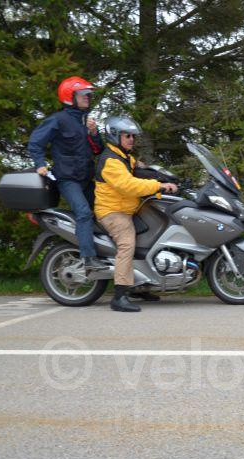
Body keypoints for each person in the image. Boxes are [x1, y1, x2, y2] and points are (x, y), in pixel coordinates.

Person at [94, 116, 178, 312]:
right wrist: (159, 186)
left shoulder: (125, 157)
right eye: (127, 135)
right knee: (127, 243)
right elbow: (128, 185)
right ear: (115, 136)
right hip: (113, 211)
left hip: (128, 208)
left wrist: (166, 178)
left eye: (133, 136)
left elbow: (140, 172)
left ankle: (140, 285)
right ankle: (120, 295)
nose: (132, 139)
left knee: (151, 237)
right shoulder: (110, 161)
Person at [28, 76, 107, 271]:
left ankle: (107, 254)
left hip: (86, 179)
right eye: (83, 94)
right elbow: (35, 143)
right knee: (83, 214)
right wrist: (40, 164)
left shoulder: (85, 121)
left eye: (88, 94)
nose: (87, 97)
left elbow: (98, 150)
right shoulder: (58, 120)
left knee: (106, 210)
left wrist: (94, 133)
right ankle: (88, 259)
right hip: (68, 179)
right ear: (69, 97)